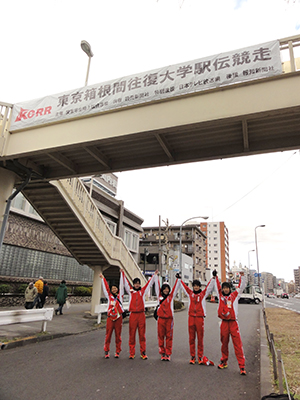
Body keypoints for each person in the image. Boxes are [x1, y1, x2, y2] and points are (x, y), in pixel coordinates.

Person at [214, 270, 247, 375]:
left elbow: (241, 287)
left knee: (237, 344)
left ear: (230, 289)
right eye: (224, 288)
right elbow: (217, 285)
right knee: (224, 343)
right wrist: (215, 276)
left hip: (233, 323)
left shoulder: (234, 296)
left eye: (227, 288)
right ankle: (224, 361)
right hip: (224, 323)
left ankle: (242, 366)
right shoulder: (220, 296)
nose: (225, 289)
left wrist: (243, 276)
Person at [179, 273, 216, 365]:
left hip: (200, 318)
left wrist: (214, 278)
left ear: (199, 287)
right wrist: (179, 279)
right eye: (194, 286)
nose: (195, 287)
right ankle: (192, 357)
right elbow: (184, 287)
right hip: (191, 318)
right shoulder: (190, 294)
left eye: (197, 286)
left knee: (200, 339)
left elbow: (209, 287)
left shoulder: (203, 294)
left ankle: (200, 356)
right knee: (191, 339)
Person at [123, 271, 157, 360]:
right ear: (133, 284)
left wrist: (154, 275)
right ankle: (132, 353)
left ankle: (143, 352)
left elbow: (149, 284)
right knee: (132, 334)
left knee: (142, 335)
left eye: (138, 284)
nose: (137, 285)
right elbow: (126, 283)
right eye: (135, 284)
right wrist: (122, 273)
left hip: (141, 315)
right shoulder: (130, 291)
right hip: (133, 315)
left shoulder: (142, 291)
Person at [154, 276, 181, 361]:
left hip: (169, 320)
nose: (166, 290)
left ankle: (168, 353)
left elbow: (176, 288)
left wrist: (178, 279)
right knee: (161, 336)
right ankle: (162, 353)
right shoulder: (159, 297)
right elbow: (156, 286)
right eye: (164, 289)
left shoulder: (171, 297)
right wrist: (155, 276)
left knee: (169, 337)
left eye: (167, 289)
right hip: (161, 319)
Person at [99, 270, 125, 359]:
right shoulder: (109, 296)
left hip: (118, 318)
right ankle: (106, 350)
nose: (114, 289)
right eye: (113, 288)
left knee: (118, 335)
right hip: (110, 318)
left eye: (115, 288)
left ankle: (118, 351)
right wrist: (103, 279)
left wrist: (122, 274)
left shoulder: (120, 296)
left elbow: (122, 285)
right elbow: (105, 288)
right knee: (108, 334)